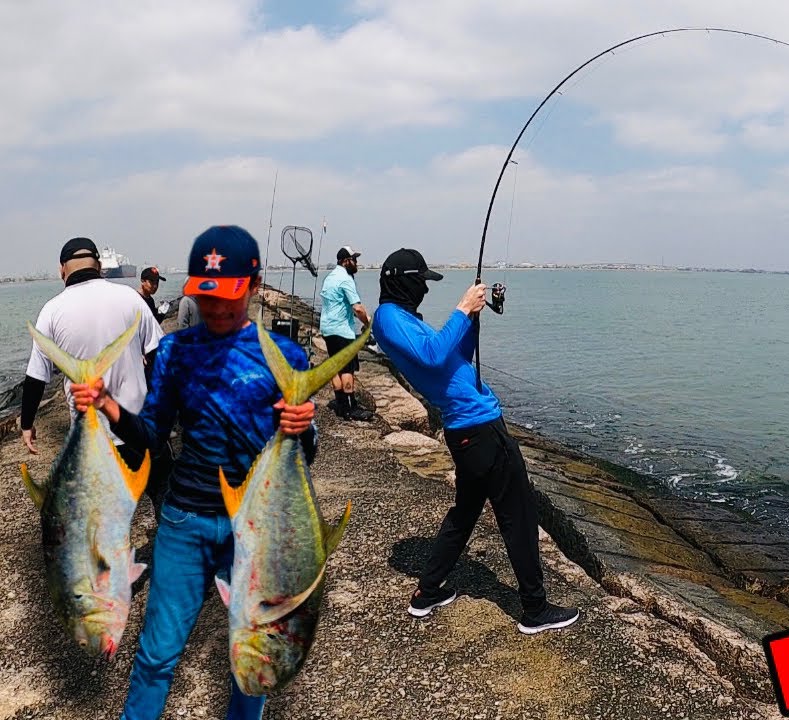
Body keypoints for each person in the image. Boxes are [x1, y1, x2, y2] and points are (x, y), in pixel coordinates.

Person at [70, 225, 319, 720]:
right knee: (157, 654)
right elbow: (152, 433)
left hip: (256, 528)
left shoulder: (285, 357)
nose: (217, 310)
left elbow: (304, 455)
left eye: (227, 297)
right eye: (206, 299)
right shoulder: (176, 351)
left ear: (253, 284)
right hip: (184, 521)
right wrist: (107, 406)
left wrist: (301, 426)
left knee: (253, 655)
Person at [371, 248, 580, 635]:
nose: (425, 290)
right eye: (421, 282)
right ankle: (534, 609)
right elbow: (434, 356)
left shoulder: (401, 319)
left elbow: (455, 356)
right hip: (478, 427)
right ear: (404, 280)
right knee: (519, 515)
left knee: (466, 512)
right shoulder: (387, 317)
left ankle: (427, 591)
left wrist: (472, 320)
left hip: (467, 429)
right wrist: (462, 307)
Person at [21, 237, 166, 510]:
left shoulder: (50, 312)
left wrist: (27, 423)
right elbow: (161, 356)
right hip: (139, 427)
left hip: (93, 441)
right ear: (99, 266)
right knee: (164, 500)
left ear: (62, 270)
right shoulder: (130, 298)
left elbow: (36, 376)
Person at [319, 245, 373, 421]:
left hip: (328, 328)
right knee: (348, 369)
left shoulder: (330, 278)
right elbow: (357, 308)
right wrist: (368, 323)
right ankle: (350, 408)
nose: (356, 263)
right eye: (354, 259)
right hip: (342, 330)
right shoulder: (345, 279)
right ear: (346, 261)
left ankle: (341, 404)